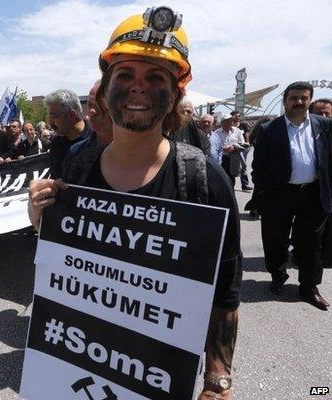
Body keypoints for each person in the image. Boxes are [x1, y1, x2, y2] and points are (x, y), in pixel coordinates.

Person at [29, 8, 241, 399]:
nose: (138, 87)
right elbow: (69, 265)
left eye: (155, 77)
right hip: (80, 364)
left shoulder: (204, 181)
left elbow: (225, 293)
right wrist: (42, 221)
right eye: (125, 75)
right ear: (106, 90)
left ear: (175, 94)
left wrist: (217, 379)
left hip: (158, 376)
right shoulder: (78, 167)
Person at [252, 81, 332, 311]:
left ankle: (309, 288)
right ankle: (277, 276)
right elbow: (259, 167)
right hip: (279, 195)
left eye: (303, 98)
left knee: (312, 244)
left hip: (313, 194)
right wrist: (265, 193)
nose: (299, 102)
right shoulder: (269, 130)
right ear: (285, 100)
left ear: (310, 100)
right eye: (294, 98)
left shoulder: (324, 126)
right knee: (275, 239)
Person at [44, 89, 92, 179]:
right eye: (49, 117)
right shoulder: (56, 143)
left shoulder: (97, 138)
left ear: (72, 115)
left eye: (54, 116)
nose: (50, 123)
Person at [209, 115, 247, 187]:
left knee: (232, 176)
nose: (229, 123)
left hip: (234, 157)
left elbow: (242, 143)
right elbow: (214, 146)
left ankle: (231, 191)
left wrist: (234, 147)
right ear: (222, 123)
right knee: (222, 176)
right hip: (222, 158)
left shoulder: (237, 131)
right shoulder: (217, 133)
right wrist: (223, 149)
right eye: (227, 121)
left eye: (230, 121)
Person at [230, 111, 253, 191]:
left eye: (239, 115)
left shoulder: (243, 124)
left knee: (243, 165)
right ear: (232, 116)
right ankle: (231, 184)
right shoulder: (229, 124)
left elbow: (247, 133)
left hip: (242, 147)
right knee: (233, 165)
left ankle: (245, 184)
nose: (238, 117)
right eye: (236, 115)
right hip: (233, 147)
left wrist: (247, 143)